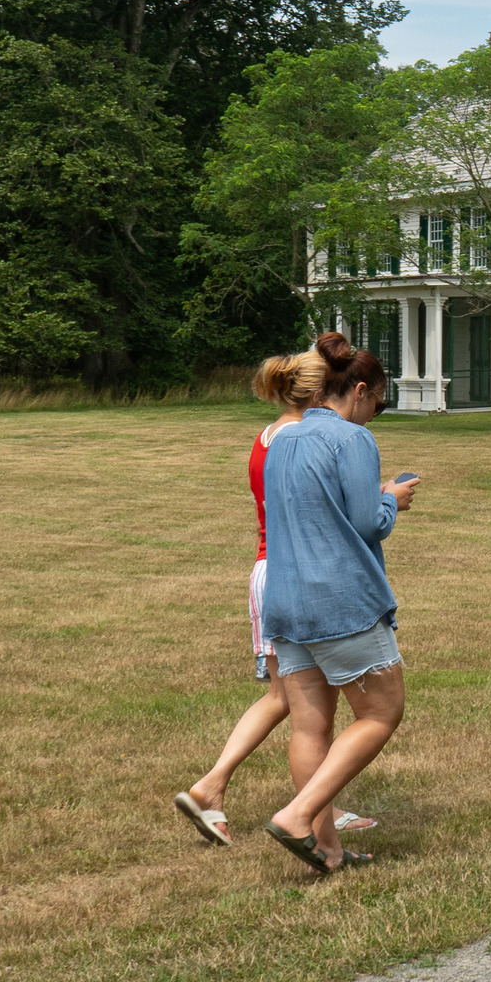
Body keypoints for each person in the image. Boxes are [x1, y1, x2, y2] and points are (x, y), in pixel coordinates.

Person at [174, 349, 380, 846]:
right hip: (294, 571)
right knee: (297, 703)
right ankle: (224, 787)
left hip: (273, 570)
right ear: (318, 393)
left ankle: (304, 807)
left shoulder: (270, 434)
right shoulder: (299, 437)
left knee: (295, 702)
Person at [260, 332, 422, 874]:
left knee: (310, 727)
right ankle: (298, 815)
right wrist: (390, 498)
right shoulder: (352, 441)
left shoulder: (283, 439)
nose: (375, 414)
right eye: (377, 402)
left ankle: (327, 850)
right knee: (381, 711)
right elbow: (366, 523)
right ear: (357, 390)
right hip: (340, 602)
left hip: (286, 603)